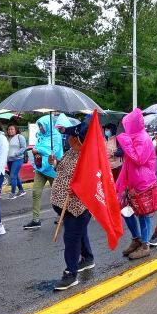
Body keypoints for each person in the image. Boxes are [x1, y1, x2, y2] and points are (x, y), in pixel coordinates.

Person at [49, 121, 96, 290]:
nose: (67, 138)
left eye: (70, 135)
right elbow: (61, 170)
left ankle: (71, 273)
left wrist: (79, 188)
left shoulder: (88, 158)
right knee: (80, 233)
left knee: (71, 238)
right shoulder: (71, 152)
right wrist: (54, 163)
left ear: (77, 139)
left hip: (77, 207)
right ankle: (88, 258)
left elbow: (94, 182)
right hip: (64, 205)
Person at [114, 108, 156, 260]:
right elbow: (129, 163)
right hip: (131, 181)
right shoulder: (135, 136)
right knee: (125, 210)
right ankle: (136, 239)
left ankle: (145, 245)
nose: (125, 127)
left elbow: (138, 159)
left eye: (127, 124)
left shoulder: (143, 138)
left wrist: (126, 142)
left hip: (143, 182)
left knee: (143, 214)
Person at [24, 116, 64, 230]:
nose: (40, 128)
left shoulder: (56, 136)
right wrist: (35, 152)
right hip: (41, 168)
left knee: (57, 195)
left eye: (41, 125)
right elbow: (37, 148)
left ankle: (61, 215)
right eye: (39, 125)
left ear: (47, 125)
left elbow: (54, 152)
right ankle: (35, 220)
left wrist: (38, 150)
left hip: (52, 169)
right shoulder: (41, 136)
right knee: (36, 193)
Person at [4, 123, 28, 198]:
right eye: (9, 129)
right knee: (15, 176)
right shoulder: (7, 138)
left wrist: (16, 154)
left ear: (16, 130)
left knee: (12, 176)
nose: (10, 131)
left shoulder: (20, 137)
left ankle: (12, 193)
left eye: (12, 129)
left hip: (17, 159)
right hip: (9, 160)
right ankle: (21, 190)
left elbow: (24, 147)